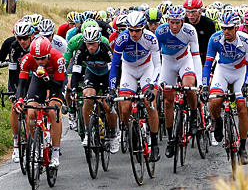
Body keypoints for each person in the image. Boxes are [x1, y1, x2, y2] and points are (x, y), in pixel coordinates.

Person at [109, 10, 163, 162]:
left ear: (143, 28)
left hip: (147, 69)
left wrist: (152, 86)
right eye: (131, 30)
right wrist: (112, 89)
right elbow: (115, 66)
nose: (133, 33)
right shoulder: (122, 39)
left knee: (150, 103)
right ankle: (130, 131)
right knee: (125, 107)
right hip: (129, 70)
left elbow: (157, 65)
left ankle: (154, 143)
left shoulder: (151, 38)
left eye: (137, 30)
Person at [202, 11, 248, 165]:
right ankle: (217, 121)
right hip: (222, 70)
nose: (226, 31)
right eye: (224, 28)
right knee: (214, 101)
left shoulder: (246, 40)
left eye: (230, 28)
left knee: (242, 109)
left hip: (240, 72)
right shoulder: (215, 39)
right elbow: (207, 64)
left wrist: (246, 84)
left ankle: (243, 147)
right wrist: (205, 86)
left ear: (236, 27)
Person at [154, 5, 202, 158]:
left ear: (183, 21)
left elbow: (196, 56)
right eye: (172, 22)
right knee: (168, 102)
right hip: (167, 62)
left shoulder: (190, 31)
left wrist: (200, 81)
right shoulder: (160, 31)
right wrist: (159, 79)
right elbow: (155, 57)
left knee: (189, 86)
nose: (174, 26)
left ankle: (193, 116)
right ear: (167, 21)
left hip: (184, 61)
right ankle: (171, 138)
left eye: (178, 23)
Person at [18, 36, 67, 169]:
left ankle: (55, 153)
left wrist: (46, 77)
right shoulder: (27, 59)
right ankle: (36, 145)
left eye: (43, 58)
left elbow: (58, 86)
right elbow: (22, 83)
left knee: (53, 111)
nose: (39, 61)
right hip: (38, 79)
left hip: (55, 81)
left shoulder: (58, 58)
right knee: (31, 112)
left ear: (49, 54)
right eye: (36, 58)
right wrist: (20, 99)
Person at [72, 24, 120, 154]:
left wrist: (112, 89)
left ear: (99, 41)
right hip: (92, 74)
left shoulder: (106, 49)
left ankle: (113, 135)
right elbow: (76, 73)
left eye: (93, 44)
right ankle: (88, 132)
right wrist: (74, 90)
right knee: (88, 98)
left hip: (107, 76)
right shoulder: (81, 50)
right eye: (88, 44)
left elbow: (114, 71)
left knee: (107, 105)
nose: (90, 47)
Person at [0, 19, 36, 163]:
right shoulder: (13, 46)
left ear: (31, 36)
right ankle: (16, 145)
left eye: (24, 38)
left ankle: (33, 142)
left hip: (34, 78)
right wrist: (14, 92)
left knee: (29, 110)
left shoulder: (37, 46)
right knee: (15, 107)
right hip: (19, 78)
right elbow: (12, 73)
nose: (22, 41)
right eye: (19, 38)